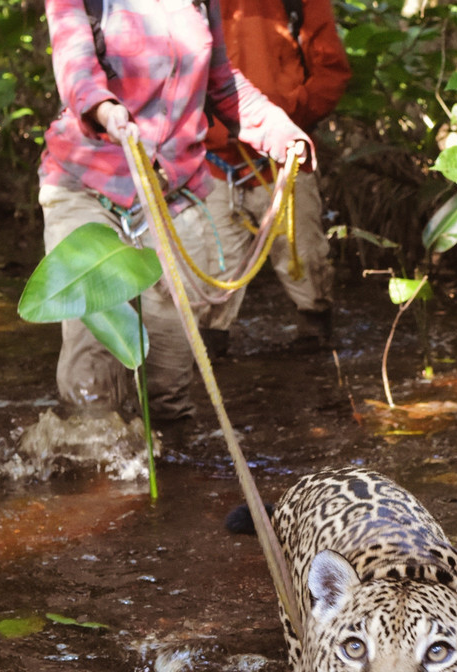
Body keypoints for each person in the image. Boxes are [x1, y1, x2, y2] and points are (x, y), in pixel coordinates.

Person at [38, 0, 314, 424]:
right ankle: (92, 478)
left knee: (168, 388)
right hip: (87, 188)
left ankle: (171, 483)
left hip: (174, 195)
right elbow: (74, 65)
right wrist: (108, 112)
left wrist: (280, 131)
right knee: (92, 386)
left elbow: (221, 84)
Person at [200, 0, 350, 353]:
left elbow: (331, 70)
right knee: (208, 288)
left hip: (283, 159)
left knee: (307, 264)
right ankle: (212, 367)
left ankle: (318, 350)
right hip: (211, 163)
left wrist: (285, 117)